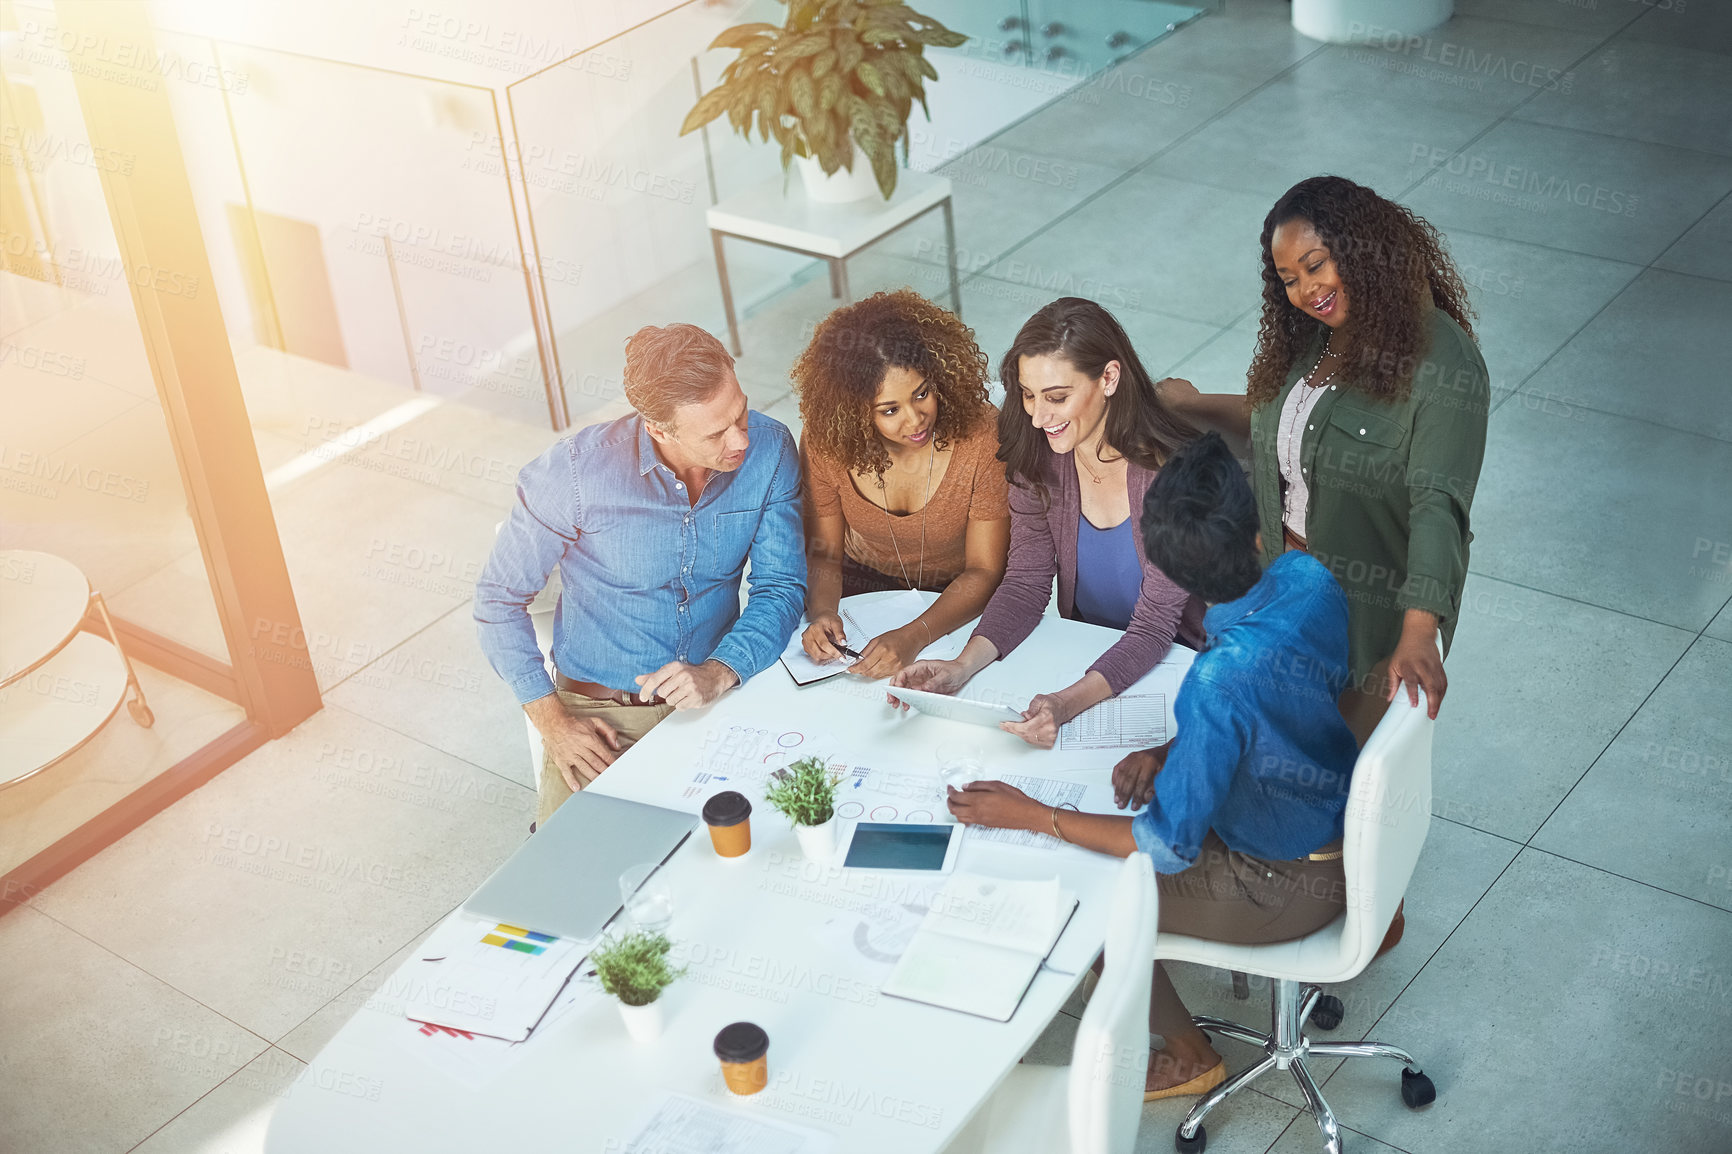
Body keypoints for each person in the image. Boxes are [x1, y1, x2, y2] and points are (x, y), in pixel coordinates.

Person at [946, 432, 1363, 1100]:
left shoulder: (1216, 680)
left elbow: (1165, 845)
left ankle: (1190, 1054)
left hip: (1282, 880)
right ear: (1256, 531)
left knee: (1090, 907)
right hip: (1347, 834)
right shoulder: (1309, 579)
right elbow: (1302, 695)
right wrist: (1177, 751)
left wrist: (1029, 814)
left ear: (1174, 575)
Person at [1158, 175, 1489, 747]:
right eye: (1290, 279)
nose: (1307, 291)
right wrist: (1191, 403)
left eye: (1316, 265)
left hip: (1367, 620)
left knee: (1321, 791)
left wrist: (1417, 632)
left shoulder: (1444, 363)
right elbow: (1279, 421)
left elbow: (1438, 506)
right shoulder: (1317, 337)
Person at [474, 323, 805, 826]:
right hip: (600, 720)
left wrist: (719, 672)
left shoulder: (772, 449)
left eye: (739, 411)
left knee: (768, 845)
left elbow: (780, 588)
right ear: (658, 428)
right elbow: (497, 602)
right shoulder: (573, 476)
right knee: (571, 889)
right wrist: (553, 723)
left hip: (722, 693)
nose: (741, 439)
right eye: (716, 433)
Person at [890, 297, 1204, 748]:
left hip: (1180, 672)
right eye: (1028, 395)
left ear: (1110, 378)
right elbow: (1025, 584)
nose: (1038, 417)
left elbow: (1155, 628)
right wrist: (961, 666)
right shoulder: (1038, 461)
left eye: (1057, 398)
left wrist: (1065, 703)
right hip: (1090, 656)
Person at [793, 290, 1010, 679]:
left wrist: (913, 636)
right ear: (854, 413)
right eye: (890, 410)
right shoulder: (826, 441)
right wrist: (824, 612)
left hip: (960, 594)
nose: (916, 420)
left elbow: (984, 569)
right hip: (861, 584)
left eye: (922, 393)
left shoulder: (982, 436)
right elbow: (824, 553)